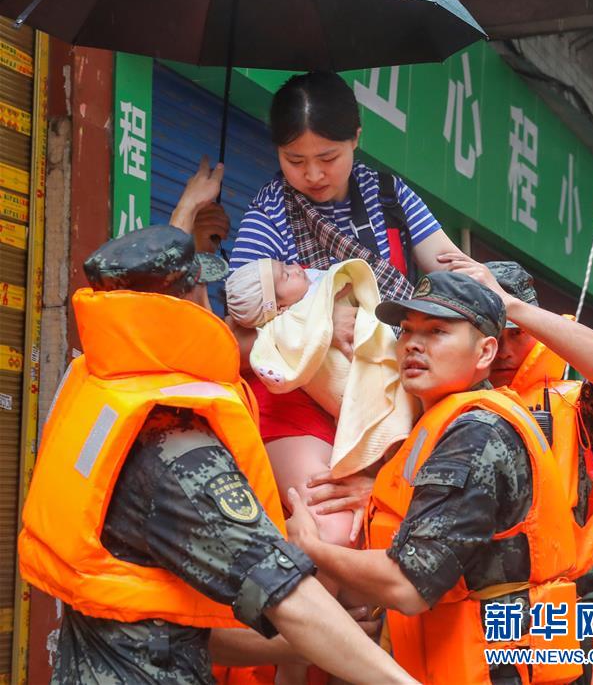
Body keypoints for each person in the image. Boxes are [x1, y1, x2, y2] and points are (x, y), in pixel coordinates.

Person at [17, 221, 421, 685]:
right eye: (203, 291)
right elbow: (288, 598)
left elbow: (161, 610)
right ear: (184, 305)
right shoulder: (177, 446)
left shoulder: (93, 395)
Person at [285, 271, 593, 685]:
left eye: (516, 334)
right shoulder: (438, 407)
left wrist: (511, 307)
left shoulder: (550, 409)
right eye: (408, 332)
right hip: (475, 622)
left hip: (549, 617)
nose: (506, 351)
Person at [171, 72, 465, 539]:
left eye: (328, 157)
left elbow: (454, 272)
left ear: (356, 139)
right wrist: (317, 322)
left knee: (398, 533)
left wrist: (497, 293)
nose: (312, 175)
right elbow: (237, 344)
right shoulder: (268, 216)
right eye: (295, 160)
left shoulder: (389, 196)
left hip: (393, 396)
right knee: (335, 531)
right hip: (298, 402)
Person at [226, 257, 417, 531]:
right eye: (285, 274)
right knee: (338, 528)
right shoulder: (264, 269)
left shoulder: (310, 278)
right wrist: (318, 324)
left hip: (367, 407)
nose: (293, 269)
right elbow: (229, 340)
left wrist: (381, 488)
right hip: (289, 412)